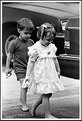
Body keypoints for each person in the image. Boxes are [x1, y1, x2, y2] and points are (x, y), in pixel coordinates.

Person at [22, 23, 64, 118]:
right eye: (48, 40)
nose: (50, 42)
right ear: (41, 36)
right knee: (46, 94)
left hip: (50, 73)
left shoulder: (51, 47)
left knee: (48, 94)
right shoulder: (36, 49)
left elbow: (54, 59)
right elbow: (31, 62)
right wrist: (28, 75)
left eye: (52, 40)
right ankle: (47, 114)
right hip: (41, 74)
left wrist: (58, 70)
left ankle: (34, 106)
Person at [5, 18, 34, 111]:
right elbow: (9, 56)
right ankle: (24, 105)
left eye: (30, 33)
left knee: (26, 87)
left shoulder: (31, 42)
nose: (28, 35)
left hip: (28, 68)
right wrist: (7, 68)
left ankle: (22, 98)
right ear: (19, 30)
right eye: (26, 33)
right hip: (19, 67)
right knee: (24, 85)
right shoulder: (14, 43)